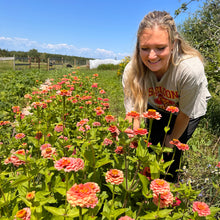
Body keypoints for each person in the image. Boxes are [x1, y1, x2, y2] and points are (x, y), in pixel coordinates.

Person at [122, 10, 211, 182]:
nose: (152, 56)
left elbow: (184, 114)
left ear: (173, 44)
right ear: (138, 47)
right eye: (145, 49)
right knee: (150, 144)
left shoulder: (189, 69)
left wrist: (170, 140)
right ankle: (146, 184)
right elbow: (133, 113)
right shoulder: (131, 70)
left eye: (160, 48)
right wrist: (134, 139)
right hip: (156, 104)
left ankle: (169, 188)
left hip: (187, 110)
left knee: (171, 151)